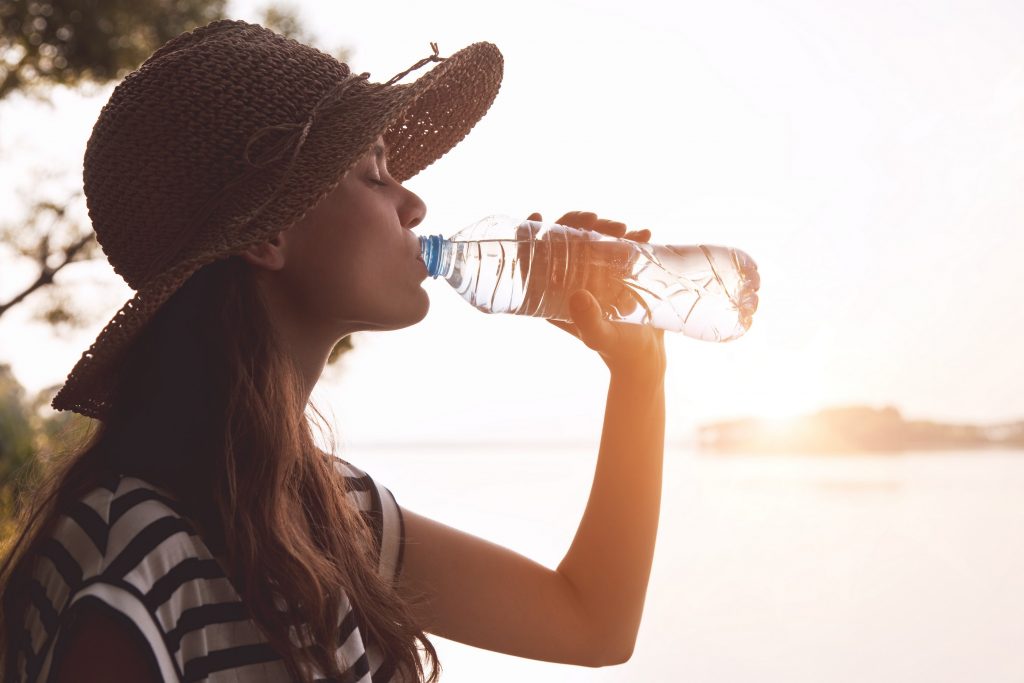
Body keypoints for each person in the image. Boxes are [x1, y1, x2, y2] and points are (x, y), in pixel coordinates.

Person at [0, 18, 666, 683]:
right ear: (269, 233)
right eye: (375, 172)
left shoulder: (328, 511)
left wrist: (639, 377)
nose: (414, 202)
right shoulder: (133, 559)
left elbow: (592, 622)